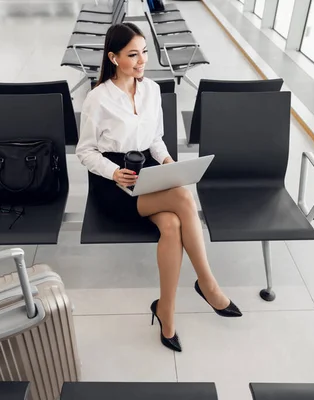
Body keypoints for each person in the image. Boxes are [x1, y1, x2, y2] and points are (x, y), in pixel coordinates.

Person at [76, 23, 242, 352]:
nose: (142, 61)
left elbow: (155, 139)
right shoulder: (97, 99)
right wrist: (113, 172)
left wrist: (167, 162)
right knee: (182, 195)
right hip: (113, 185)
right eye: (133, 54)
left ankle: (166, 311)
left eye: (145, 53)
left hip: (147, 174)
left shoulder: (151, 90)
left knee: (173, 223)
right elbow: (85, 152)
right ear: (113, 57)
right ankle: (207, 284)